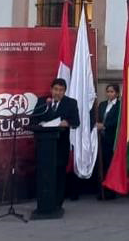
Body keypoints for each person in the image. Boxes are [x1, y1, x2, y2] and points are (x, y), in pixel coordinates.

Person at [30, 77, 81, 212]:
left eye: (61, 90)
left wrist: (67, 123)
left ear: (64, 91)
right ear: (51, 90)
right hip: (44, 147)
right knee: (44, 174)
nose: (58, 93)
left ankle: (57, 203)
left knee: (59, 175)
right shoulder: (43, 101)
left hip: (60, 145)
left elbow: (76, 121)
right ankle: (43, 202)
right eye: (55, 89)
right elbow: (33, 119)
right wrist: (38, 123)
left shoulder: (71, 103)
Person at [96, 83, 120, 198]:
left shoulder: (119, 106)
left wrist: (104, 126)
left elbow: (117, 121)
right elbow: (98, 118)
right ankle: (102, 190)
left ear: (117, 93)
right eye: (108, 91)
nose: (109, 94)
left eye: (112, 92)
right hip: (101, 138)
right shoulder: (102, 105)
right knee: (103, 165)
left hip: (112, 139)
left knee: (111, 164)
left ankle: (111, 191)